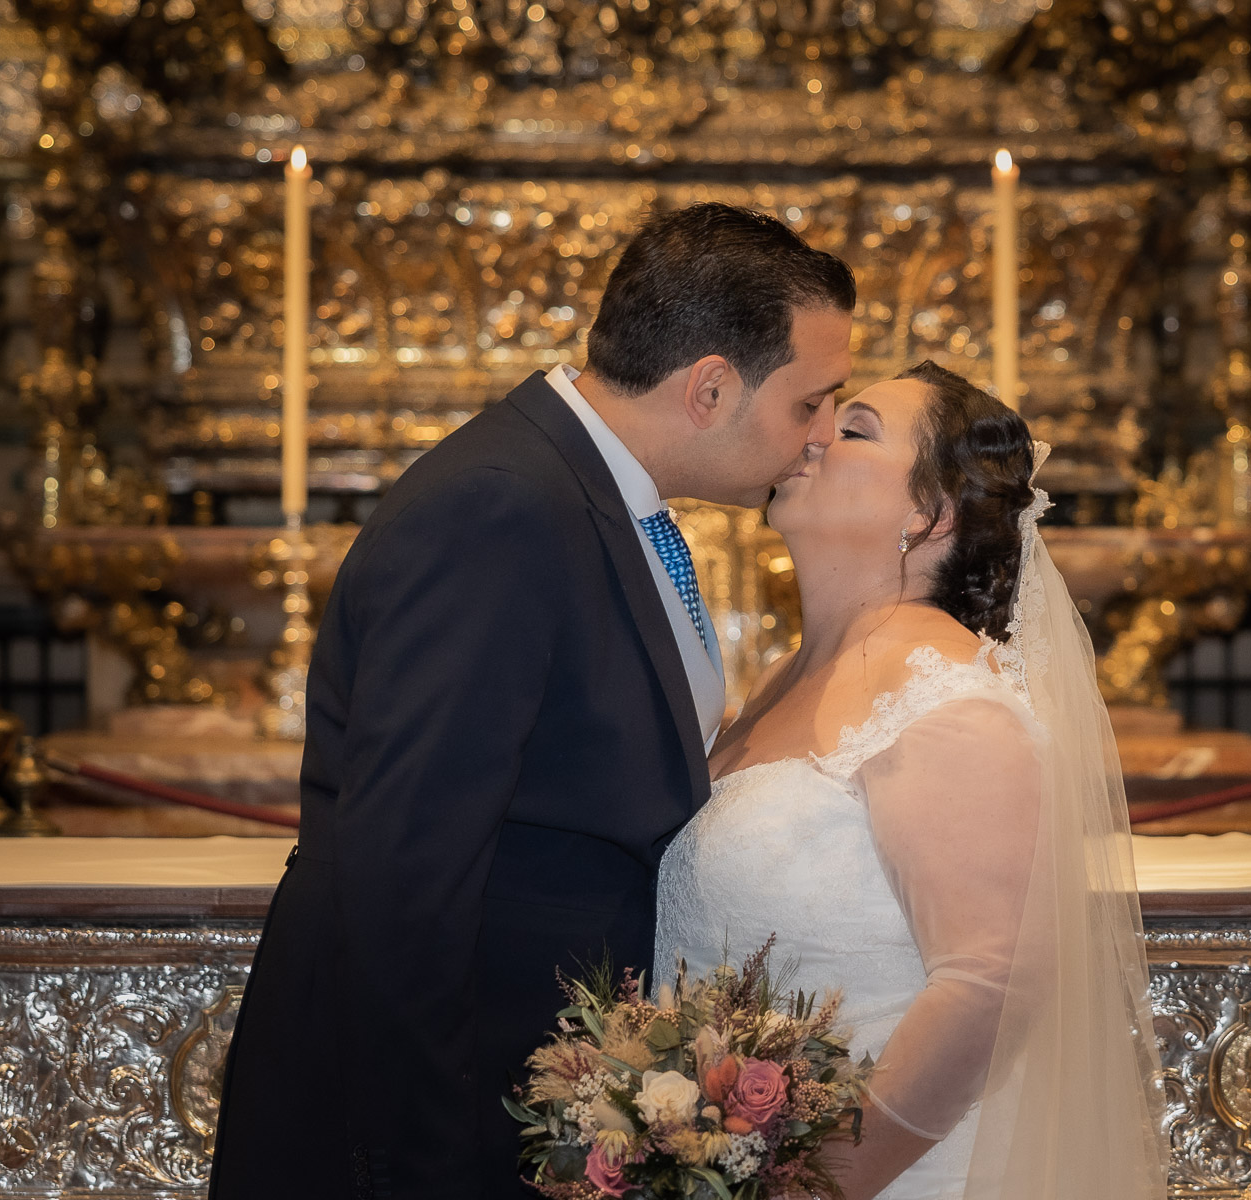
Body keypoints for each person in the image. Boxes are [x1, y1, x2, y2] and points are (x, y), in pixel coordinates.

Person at [208, 203, 854, 1200]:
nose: (814, 440)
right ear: (711, 387)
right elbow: (404, 872)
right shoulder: (503, 507)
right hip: (428, 1123)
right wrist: (422, 1163)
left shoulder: (593, 496)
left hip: (524, 1104)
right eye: (809, 404)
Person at [655, 361, 1167, 1199]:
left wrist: (816, 1183)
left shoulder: (943, 689)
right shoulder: (784, 677)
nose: (813, 435)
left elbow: (990, 984)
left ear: (929, 515)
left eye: (853, 430)